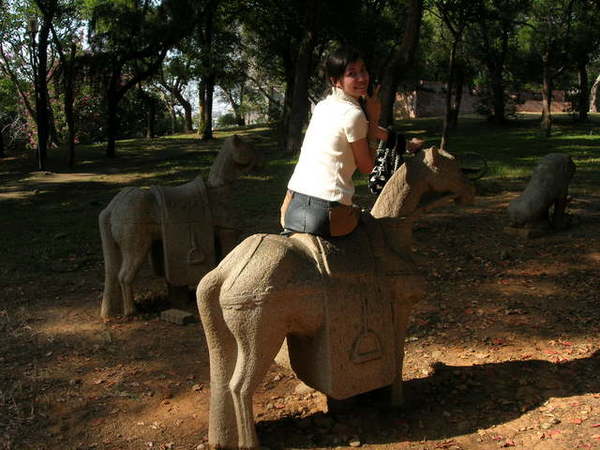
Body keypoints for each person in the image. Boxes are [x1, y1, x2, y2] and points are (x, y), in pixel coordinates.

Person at [280, 46, 389, 238]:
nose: (362, 78)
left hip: (291, 205)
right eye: (352, 74)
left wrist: (399, 140)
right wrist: (373, 117)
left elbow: (358, 129)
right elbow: (366, 167)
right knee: (373, 233)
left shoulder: (322, 106)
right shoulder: (355, 115)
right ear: (336, 81)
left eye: (363, 70)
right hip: (325, 212)